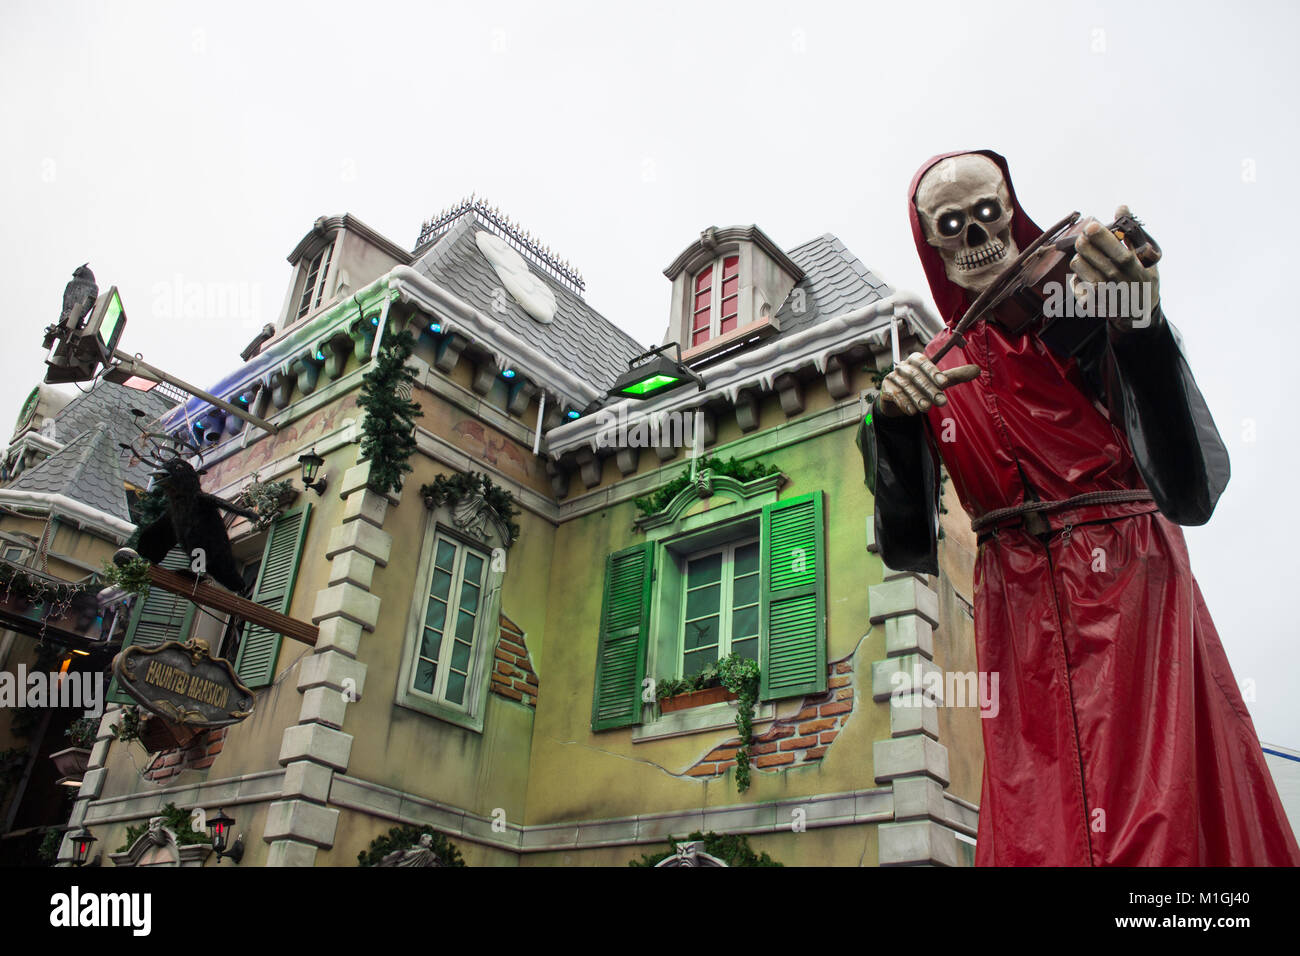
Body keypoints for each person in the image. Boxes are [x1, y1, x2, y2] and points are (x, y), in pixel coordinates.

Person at [863, 148, 1300, 865]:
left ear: (1012, 209)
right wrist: (895, 430)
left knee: (1159, 809)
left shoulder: (1083, 307)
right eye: (953, 224)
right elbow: (909, 547)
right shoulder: (932, 372)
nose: (980, 237)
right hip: (1019, 610)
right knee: (1042, 816)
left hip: (1130, 583)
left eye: (990, 213)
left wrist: (1143, 329)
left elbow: (1190, 492)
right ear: (931, 247)